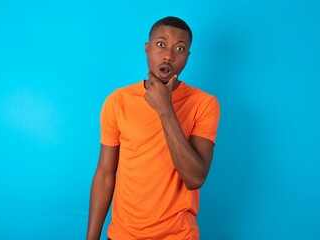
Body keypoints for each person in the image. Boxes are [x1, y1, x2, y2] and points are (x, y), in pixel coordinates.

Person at [87, 16, 220, 240]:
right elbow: (105, 175)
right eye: (161, 45)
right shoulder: (118, 101)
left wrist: (165, 109)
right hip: (122, 234)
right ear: (147, 49)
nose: (169, 55)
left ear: (187, 57)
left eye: (180, 48)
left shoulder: (204, 104)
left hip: (178, 235)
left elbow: (195, 178)